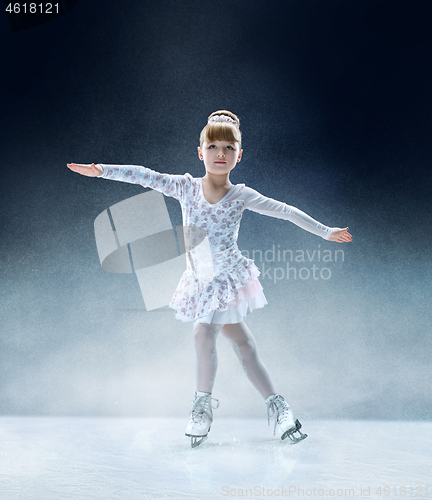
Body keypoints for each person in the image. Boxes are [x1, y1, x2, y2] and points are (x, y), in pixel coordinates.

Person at [67, 110, 352, 448]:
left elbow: (285, 210)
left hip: (229, 279)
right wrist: (102, 171)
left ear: (239, 155)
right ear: (200, 151)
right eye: (213, 146)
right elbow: (145, 176)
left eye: (229, 148)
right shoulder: (184, 187)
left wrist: (325, 232)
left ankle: (206, 407)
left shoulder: (242, 195)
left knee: (204, 334)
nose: (220, 154)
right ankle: (277, 406)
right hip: (200, 281)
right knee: (243, 346)